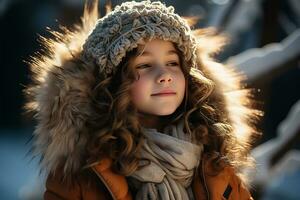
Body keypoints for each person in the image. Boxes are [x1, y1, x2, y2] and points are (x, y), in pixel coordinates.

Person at [25, 1, 260, 199]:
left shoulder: (216, 169)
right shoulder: (82, 178)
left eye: (172, 63)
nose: (165, 76)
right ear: (111, 83)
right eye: (145, 65)